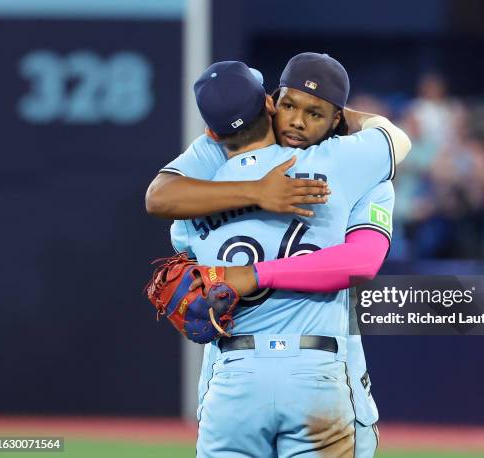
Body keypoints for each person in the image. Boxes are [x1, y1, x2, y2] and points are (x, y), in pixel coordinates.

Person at [147, 53, 410, 456]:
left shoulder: (196, 196)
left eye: (314, 112)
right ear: (269, 103)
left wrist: (247, 273)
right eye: (289, 105)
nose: (298, 121)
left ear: (210, 132)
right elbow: (393, 139)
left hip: (233, 379)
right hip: (316, 371)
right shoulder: (348, 164)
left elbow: (166, 208)